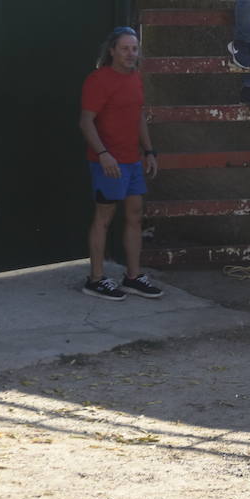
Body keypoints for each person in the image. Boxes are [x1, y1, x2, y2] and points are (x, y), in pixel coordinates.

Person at [78, 27, 163, 302]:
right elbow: (86, 121)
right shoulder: (98, 80)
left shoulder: (136, 79)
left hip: (132, 160)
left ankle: (133, 276)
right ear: (112, 50)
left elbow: (138, 116)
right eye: (125, 48)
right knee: (104, 218)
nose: (131, 54)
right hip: (109, 163)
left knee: (135, 215)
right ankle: (95, 279)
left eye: (134, 48)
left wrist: (149, 151)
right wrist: (103, 154)